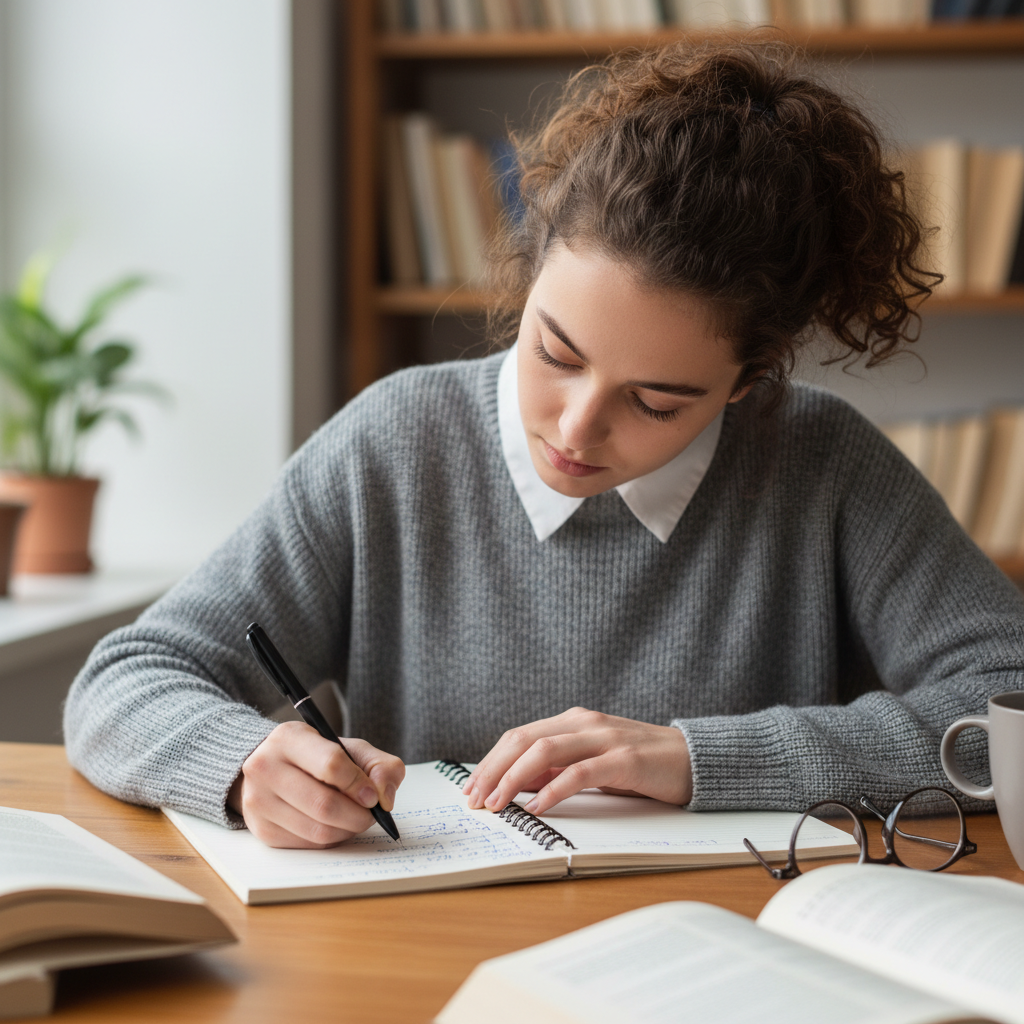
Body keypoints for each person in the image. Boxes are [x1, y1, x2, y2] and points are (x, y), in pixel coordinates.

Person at [65, 41, 1024, 850]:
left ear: (747, 379)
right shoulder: (396, 441)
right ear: (526, 282)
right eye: (554, 351)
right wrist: (243, 766)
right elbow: (123, 681)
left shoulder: (821, 462)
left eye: (655, 402)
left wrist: (702, 758)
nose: (574, 428)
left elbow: (1010, 700)